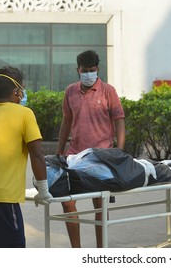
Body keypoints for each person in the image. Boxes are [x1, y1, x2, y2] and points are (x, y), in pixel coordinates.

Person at [0, 66, 52, 248]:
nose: (23, 92)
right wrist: (43, 190)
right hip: (3, 199)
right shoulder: (24, 114)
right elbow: (36, 154)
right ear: (16, 91)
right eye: (23, 88)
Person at [57, 50, 126, 248]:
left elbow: (119, 122)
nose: (89, 74)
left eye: (92, 70)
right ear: (77, 70)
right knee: (67, 201)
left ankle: (100, 252)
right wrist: (60, 149)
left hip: (102, 156)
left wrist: (119, 153)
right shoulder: (70, 91)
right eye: (85, 70)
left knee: (100, 205)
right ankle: (76, 251)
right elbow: (66, 121)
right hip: (75, 155)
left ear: (98, 69)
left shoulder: (108, 91)